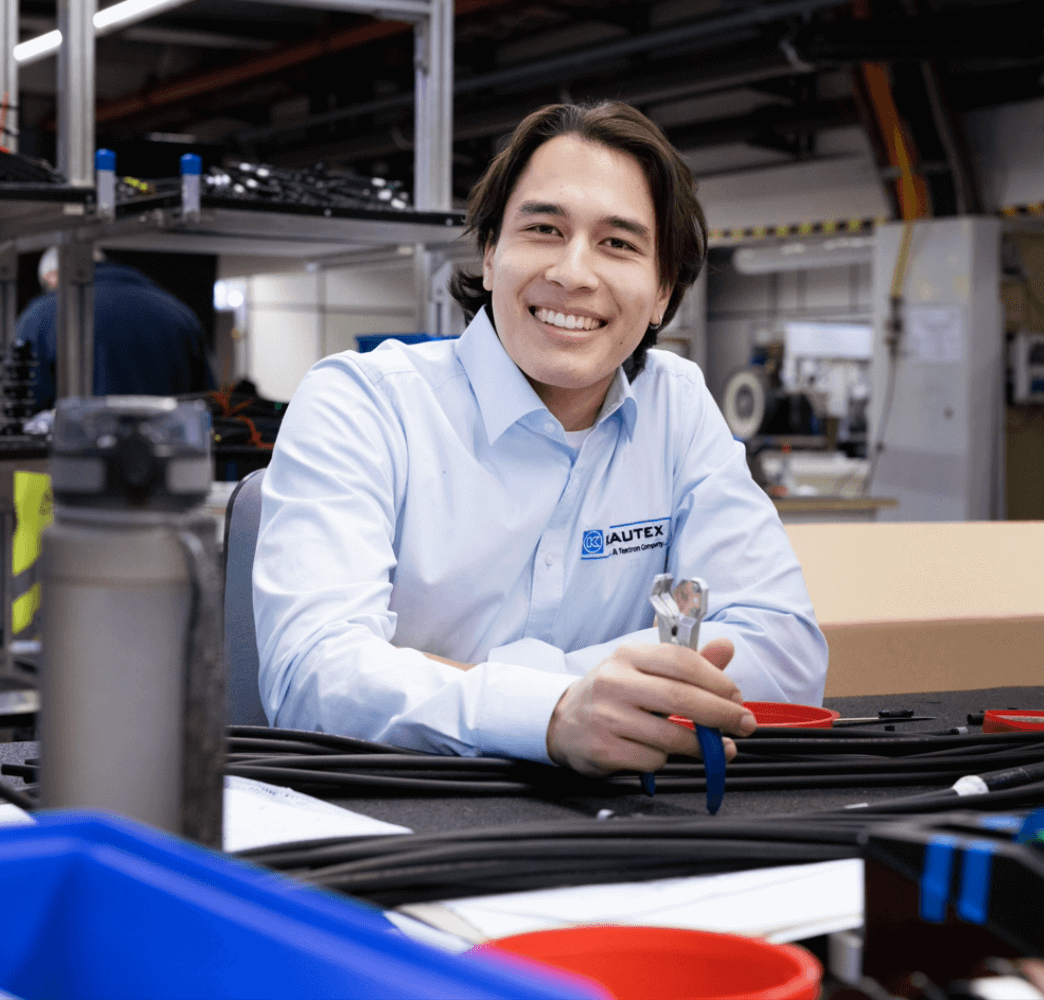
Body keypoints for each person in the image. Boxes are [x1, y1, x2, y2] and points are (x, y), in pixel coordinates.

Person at [254, 102, 827, 778]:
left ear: (663, 292)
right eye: (544, 229)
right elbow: (313, 679)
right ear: (491, 255)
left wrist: (511, 688)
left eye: (618, 244)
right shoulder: (363, 404)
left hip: (620, 821)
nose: (574, 273)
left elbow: (785, 654)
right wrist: (555, 710)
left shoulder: (677, 405)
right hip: (397, 811)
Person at [17, 248, 217, 409]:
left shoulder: (41, 315)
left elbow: (25, 401)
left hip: (79, 454)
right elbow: (206, 400)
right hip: (167, 453)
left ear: (52, 277)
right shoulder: (179, 312)